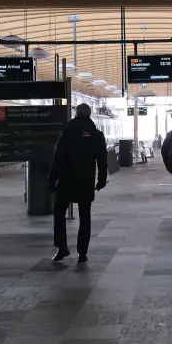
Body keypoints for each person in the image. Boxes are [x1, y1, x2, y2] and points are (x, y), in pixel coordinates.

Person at [48, 103, 108, 262]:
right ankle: (82, 252)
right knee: (85, 215)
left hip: (66, 178)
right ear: (89, 115)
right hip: (86, 179)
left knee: (59, 211)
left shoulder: (67, 131)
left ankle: (61, 247)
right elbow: (102, 159)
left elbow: (58, 157)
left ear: (76, 114)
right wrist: (101, 180)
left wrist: (52, 178)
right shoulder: (96, 134)